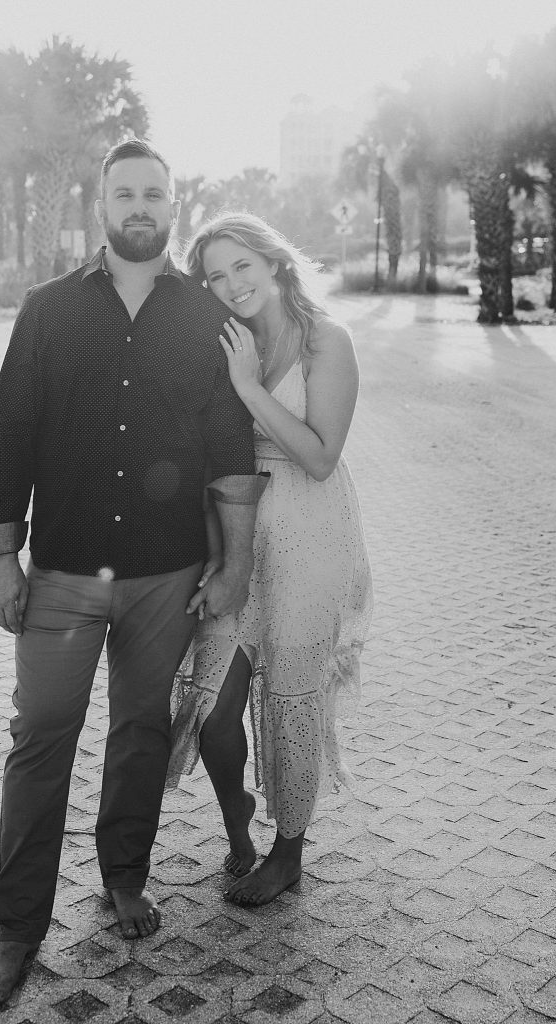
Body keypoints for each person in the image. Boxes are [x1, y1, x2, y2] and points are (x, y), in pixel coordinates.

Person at [0, 140, 266, 1005]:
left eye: (155, 194)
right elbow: (9, 431)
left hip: (165, 575)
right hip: (60, 572)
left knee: (139, 734)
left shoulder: (201, 317)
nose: (140, 206)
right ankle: (18, 929)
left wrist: (234, 566)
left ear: (175, 206)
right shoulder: (48, 309)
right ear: (101, 204)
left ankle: (124, 875)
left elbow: (229, 449)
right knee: (41, 742)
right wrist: (0, 559)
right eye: (125, 193)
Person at [168, 212, 373, 906]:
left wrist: (252, 388)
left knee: (291, 697)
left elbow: (319, 456)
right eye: (216, 277)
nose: (231, 285)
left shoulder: (327, 343)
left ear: (275, 262)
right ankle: (239, 836)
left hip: (310, 534)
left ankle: (289, 852)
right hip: (238, 531)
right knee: (216, 708)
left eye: (241, 266)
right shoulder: (223, 340)